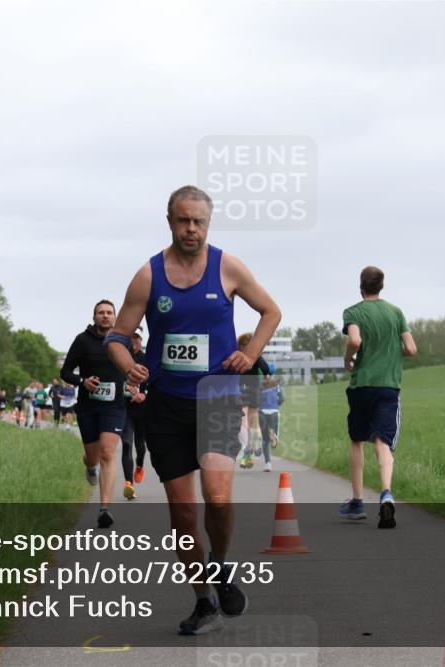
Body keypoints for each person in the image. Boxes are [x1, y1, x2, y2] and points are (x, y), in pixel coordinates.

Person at [105, 185, 281, 636]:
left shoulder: (228, 267)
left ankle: (219, 567)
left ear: (209, 223)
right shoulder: (149, 275)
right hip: (166, 406)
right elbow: (118, 336)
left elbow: (270, 311)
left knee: (218, 496)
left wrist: (251, 354)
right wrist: (129, 367)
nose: (191, 229)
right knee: (182, 514)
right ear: (170, 221)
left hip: (218, 397)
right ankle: (203, 601)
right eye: (183, 221)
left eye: (198, 222)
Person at [340, 265, 417, 529]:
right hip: (388, 386)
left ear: (360, 286)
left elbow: (355, 340)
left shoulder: (353, 312)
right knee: (383, 442)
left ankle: (358, 501)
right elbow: (411, 348)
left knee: (357, 440)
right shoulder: (396, 313)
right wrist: (394, 353)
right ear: (381, 286)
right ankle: (386, 493)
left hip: (361, 385)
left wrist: (348, 357)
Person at [61, 300, 128, 528]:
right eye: (101, 313)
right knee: (94, 456)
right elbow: (66, 371)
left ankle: (104, 509)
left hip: (114, 406)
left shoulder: (122, 341)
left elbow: (135, 366)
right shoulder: (83, 341)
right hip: (88, 406)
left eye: (109, 312)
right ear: (94, 317)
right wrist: (83, 381)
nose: (105, 316)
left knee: (108, 453)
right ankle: (90, 465)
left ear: (115, 317)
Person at [120, 331, 148, 499]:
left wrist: (144, 394)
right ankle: (128, 484)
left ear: (140, 340)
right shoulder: (121, 358)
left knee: (140, 445)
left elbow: (154, 380)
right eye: (130, 338)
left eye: (136, 338)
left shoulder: (147, 358)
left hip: (143, 409)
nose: (133, 341)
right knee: (126, 444)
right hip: (125, 408)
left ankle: (139, 466)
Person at [236, 332, 271, 469]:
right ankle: (255, 443)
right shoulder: (255, 356)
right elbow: (266, 369)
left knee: (243, 419)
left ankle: (246, 448)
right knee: (253, 420)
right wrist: (267, 376)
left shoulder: (238, 355)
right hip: (255, 389)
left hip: (242, 389)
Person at [257, 376, 282, 472]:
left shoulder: (260, 384)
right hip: (274, 412)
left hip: (262, 412)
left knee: (265, 439)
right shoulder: (277, 384)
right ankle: (273, 434)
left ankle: (268, 464)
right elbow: (282, 398)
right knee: (275, 434)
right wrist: (276, 404)